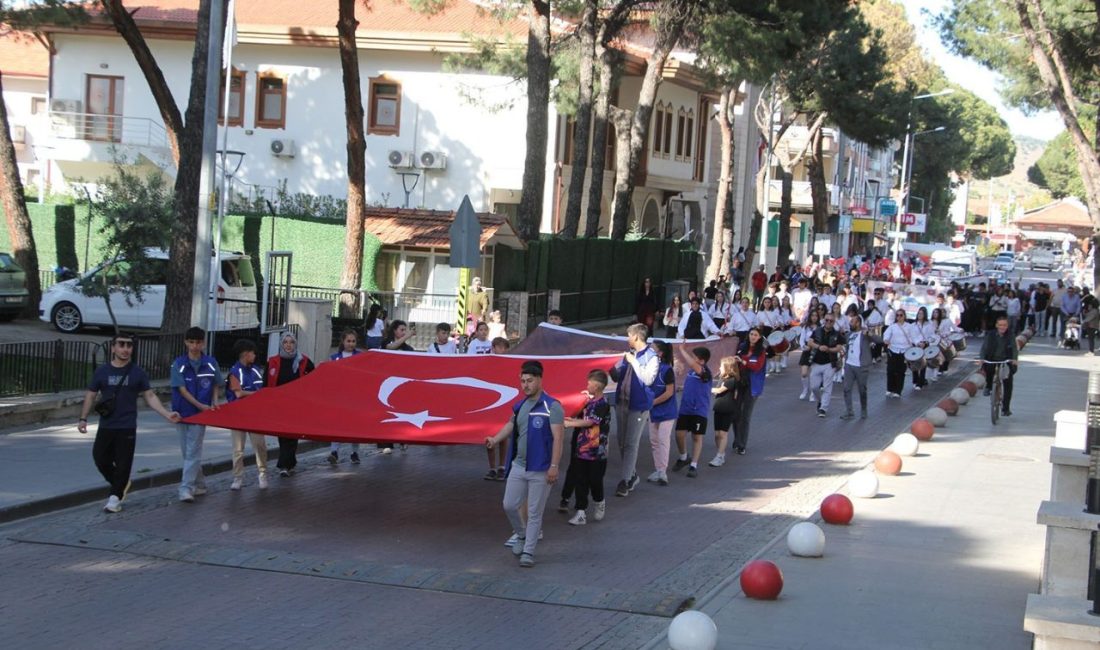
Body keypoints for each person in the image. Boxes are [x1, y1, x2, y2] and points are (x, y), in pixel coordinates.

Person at [79, 332, 180, 513]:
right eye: (122, 345)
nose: (125, 349)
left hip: (127, 425)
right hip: (107, 425)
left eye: (129, 346)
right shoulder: (102, 371)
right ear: (113, 347)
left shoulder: (137, 372)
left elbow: (149, 395)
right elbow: (91, 394)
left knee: (123, 463)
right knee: (100, 458)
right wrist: (83, 418)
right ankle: (121, 483)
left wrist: (166, 414)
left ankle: (115, 497)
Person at [485, 360, 565, 568]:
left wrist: (554, 466)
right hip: (519, 466)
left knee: (534, 511)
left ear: (540, 379)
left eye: (529, 381)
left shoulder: (552, 407)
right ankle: (521, 535)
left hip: (541, 468)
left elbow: (558, 438)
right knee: (509, 504)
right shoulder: (520, 405)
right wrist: (494, 439)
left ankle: (528, 551)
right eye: (522, 381)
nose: (525, 385)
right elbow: (510, 426)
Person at [170, 326, 224, 503]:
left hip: (200, 415)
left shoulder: (210, 362)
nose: (194, 346)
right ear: (186, 342)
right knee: (187, 453)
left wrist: (215, 400)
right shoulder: (178, 364)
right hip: (183, 412)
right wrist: (201, 405)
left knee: (193, 452)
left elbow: (216, 382)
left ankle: (186, 488)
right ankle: (200, 484)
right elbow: (182, 390)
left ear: (203, 343)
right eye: (191, 342)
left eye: (198, 342)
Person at [608, 323, 659, 497]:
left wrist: (634, 362)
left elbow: (648, 379)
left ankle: (625, 480)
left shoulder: (651, 357)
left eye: (629, 335)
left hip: (638, 405)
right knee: (622, 441)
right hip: (622, 402)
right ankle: (632, 474)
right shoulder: (627, 355)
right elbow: (617, 376)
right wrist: (608, 364)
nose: (627, 339)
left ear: (636, 336)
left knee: (631, 443)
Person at [561, 370, 611, 526]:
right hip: (582, 449)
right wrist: (571, 418)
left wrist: (570, 423)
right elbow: (582, 418)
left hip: (597, 452)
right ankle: (580, 511)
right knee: (580, 480)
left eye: (589, 383)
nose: (587, 385)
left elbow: (590, 422)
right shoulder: (590, 402)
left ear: (596, 386)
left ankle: (599, 501)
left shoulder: (603, 404)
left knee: (595, 480)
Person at [268, 331, 315, 475]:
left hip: (296, 404)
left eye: (291, 342)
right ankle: (290, 461)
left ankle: (284, 465)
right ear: (281, 344)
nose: (288, 345)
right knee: (282, 434)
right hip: (280, 404)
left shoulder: (303, 361)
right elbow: (266, 382)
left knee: (292, 434)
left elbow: (315, 377)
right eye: (285, 342)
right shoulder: (273, 362)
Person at [226, 339, 270, 488]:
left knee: (260, 445)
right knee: (238, 449)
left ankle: (263, 474)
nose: (255, 355)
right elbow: (238, 394)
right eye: (252, 353)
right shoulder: (234, 372)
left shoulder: (257, 370)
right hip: (238, 414)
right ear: (245, 354)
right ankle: (237, 477)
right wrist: (256, 394)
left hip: (254, 414)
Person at [671, 345, 713, 476]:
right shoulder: (691, 372)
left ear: (701, 361)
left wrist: (682, 350)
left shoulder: (705, 372)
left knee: (696, 436)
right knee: (679, 435)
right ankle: (684, 457)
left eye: (694, 358)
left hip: (699, 410)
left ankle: (693, 465)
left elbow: (694, 367)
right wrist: (681, 388)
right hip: (685, 409)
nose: (691, 360)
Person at [327, 329, 364, 465]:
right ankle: (334, 451)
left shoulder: (361, 357)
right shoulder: (335, 357)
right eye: (348, 341)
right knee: (337, 425)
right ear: (343, 341)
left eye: (353, 341)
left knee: (354, 426)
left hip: (355, 397)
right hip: (339, 397)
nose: (351, 344)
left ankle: (354, 452)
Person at [646, 341, 678, 486]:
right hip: (653, 411)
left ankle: (663, 472)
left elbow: (669, 393)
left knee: (663, 439)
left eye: (652, 349)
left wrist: (651, 402)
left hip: (667, 411)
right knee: (654, 440)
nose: (648, 351)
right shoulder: (648, 369)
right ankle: (658, 469)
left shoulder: (666, 370)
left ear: (660, 353)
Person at [732, 328, 767, 454]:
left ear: (759, 337)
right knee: (736, 414)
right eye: (751, 334)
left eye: (756, 335)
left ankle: (742, 445)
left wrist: (743, 361)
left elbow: (757, 367)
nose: (753, 336)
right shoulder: (742, 347)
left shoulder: (761, 351)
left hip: (752, 386)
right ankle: (737, 439)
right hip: (739, 383)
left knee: (745, 416)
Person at [840, 315, 879, 420]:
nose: (850, 323)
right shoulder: (849, 335)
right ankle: (849, 411)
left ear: (858, 323)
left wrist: (870, 333)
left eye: (852, 321)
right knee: (846, 389)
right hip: (849, 365)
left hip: (861, 366)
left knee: (862, 390)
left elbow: (879, 340)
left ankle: (863, 409)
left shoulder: (864, 334)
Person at [980, 315, 1019, 417]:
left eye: (1005, 325)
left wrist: (1014, 359)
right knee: (988, 369)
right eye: (1000, 325)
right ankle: (988, 386)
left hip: (1006, 360)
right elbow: (984, 347)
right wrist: (982, 358)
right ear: (997, 325)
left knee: (1008, 383)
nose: (1002, 327)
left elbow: (1014, 348)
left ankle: (1005, 408)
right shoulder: (991, 334)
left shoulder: (1010, 335)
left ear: (1007, 326)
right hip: (992, 359)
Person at [807, 312, 844, 418]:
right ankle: (819, 401)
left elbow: (839, 347)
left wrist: (829, 349)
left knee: (828, 387)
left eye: (831, 321)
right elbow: (810, 342)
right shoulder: (817, 331)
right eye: (827, 320)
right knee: (814, 387)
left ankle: (823, 408)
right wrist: (819, 347)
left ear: (834, 322)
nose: (828, 322)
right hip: (816, 362)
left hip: (829, 363)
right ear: (824, 321)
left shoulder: (837, 334)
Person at [710, 356, 741, 467]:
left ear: (728, 368)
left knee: (723, 433)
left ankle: (719, 456)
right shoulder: (722, 379)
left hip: (728, 409)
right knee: (717, 434)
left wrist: (706, 388)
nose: (719, 368)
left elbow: (719, 390)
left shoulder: (731, 380)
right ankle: (720, 453)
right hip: (718, 408)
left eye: (721, 366)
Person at [883, 308, 915, 398]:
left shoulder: (909, 326)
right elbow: (886, 335)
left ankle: (898, 391)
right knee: (890, 370)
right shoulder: (892, 326)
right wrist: (886, 340)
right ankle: (890, 389)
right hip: (893, 350)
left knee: (901, 372)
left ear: (904, 316)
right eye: (897, 315)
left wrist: (917, 343)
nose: (899, 317)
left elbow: (914, 337)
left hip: (904, 351)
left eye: (901, 315)